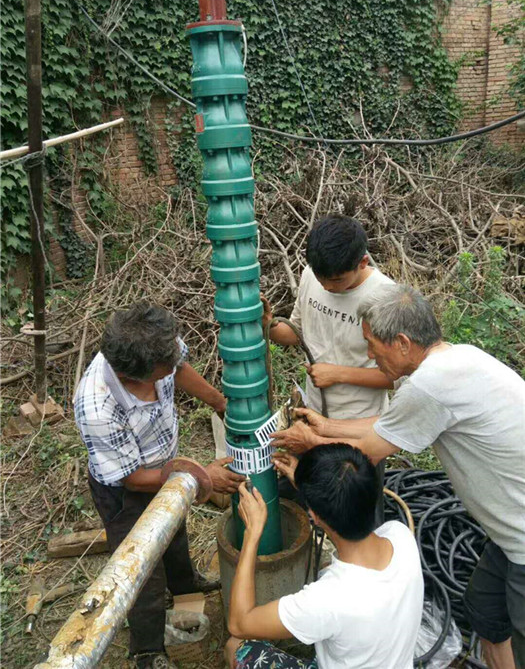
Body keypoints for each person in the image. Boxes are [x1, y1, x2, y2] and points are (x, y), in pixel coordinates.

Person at [272, 285, 525, 669]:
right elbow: (391, 424)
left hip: (522, 538)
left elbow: (371, 448)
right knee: (485, 610)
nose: (370, 355)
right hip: (509, 534)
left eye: (373, 345)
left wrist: (311, 444)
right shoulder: (456, 361)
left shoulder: (430, 384)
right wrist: (325, 426)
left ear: (403, 343)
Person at [74, 303, 245, 669]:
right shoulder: (97, 404)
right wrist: (200, 477)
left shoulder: (156, 344)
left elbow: (179, 366)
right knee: (141, 568)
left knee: (175, 531)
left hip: (164, 467)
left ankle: (186, 585)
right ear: (136, 375)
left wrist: (219, 403)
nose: (174, 367)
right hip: (126, 492)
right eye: (164, 370)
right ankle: (147, 650)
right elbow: (132, 478)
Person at [225, 443, 424, 669]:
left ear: (314, 516)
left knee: (236, 646)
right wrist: (315, 491)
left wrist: (252, 533)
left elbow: (239, 623)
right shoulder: (400, 536)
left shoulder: (327, 600)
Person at [262, 215, 394, 520]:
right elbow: (296, 332)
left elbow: (395, 377)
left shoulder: (385, 298)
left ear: (362, 263)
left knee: (360, 517)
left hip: (359, 428)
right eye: (321, 279)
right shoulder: (314, 275)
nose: (326, 286)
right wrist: (267, 325)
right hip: (313, 417)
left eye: (335, 281)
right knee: (317, 507)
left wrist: (338, 373)